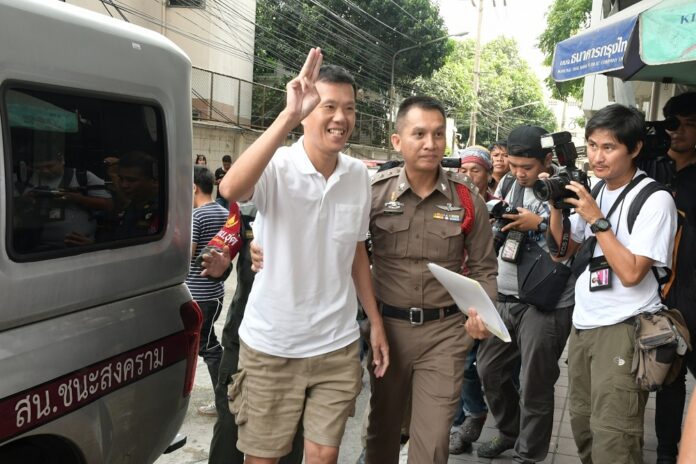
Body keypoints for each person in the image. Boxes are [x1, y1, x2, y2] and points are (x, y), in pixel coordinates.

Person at [217, 48, 389, 464]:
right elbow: (231, 190)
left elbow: (355, 253)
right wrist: (287, 116)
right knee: (263, 457)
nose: (340, 118)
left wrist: (376, 322)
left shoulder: (358, 178)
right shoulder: (277, 166)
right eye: (328, 106)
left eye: (348, 108)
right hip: (272, 345)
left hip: (336, 344)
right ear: (308, 113)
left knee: (324, 456)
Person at [364, 96, 497, 464]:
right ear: (397, 141)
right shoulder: (373, 194)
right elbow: (350, 256)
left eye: (438, 134)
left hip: (445, 334)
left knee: (434, 441)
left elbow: (485, 267)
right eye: (419, 133)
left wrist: (482, 315)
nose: (430, 143)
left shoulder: (467, 198)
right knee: (382, 432)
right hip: (387, 331)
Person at [547, 104, 677, 463]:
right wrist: (556, 204)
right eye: (591, 145)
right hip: (584, 326)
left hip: (623, 328)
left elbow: (633, 272)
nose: (597, 157)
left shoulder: (655, 199)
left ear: (634, 149)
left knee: (615, 441)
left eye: (608, 147)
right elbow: (563, 251)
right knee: (584, 429)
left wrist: (598, 220)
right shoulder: (596, 190)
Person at [475, 125, 576, 463]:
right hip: (505, 296)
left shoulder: (566, 188)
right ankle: (509, 431)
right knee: (488, 370)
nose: (519, 173)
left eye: (527, 167)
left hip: (545, 303)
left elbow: (568, 246)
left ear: (547, 159)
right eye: (514, 165)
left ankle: (528, 456)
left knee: (535, 384)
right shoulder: (507, 183)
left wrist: (541, 224)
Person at [199, 202, 304, 464]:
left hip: (301, 339)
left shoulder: (323, 198)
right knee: (231, 419)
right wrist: (217, 260)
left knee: (292, 425)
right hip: (244, 335)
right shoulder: (250, 201)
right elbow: (223, 241)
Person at [654, 91, 696, 464]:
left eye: (689, 125)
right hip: (664, 293)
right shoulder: (656, 171)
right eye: (673, 124)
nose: (678, 132)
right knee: (669, 377)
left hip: (694, 291)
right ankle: (667, 452)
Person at [185, 165, 235, 416]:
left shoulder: (197, 216)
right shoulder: (222, 211)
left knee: (207, 346)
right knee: (206, 343)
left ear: (193, 187)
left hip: (197, 293)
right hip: (215, 293)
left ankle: (222, 399)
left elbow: (189, 255)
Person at [17, 150, 112, 250]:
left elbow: (109, 205)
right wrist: (25, 200)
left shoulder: (82, 176)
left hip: (78, 244)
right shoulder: (30, 178)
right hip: (39, 246)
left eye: (49, 166)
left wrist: (78, 199)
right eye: (39, 168)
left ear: (62, 161)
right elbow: (16, 206)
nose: (44, 171)